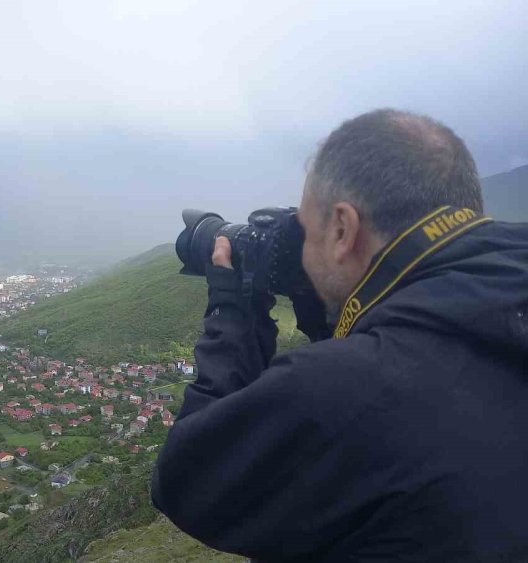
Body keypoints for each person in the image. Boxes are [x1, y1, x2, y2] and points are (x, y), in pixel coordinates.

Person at [151, 109, 528, 562]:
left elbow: (185, 482)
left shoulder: (348, 387)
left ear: (344, 230)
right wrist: (326, 310)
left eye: (306, 233)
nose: (302, 256)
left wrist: (232, 311)